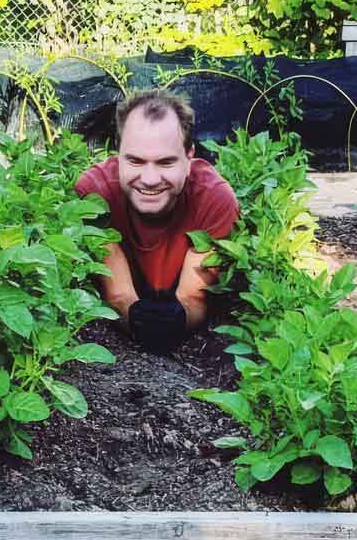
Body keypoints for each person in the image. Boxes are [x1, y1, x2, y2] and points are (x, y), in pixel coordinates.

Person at [73, 90, 239, 351]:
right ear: (118, 155)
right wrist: (139, 323)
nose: (149, 179)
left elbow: (193, 298)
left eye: (165, 162)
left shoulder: (214, 199)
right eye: (136, 161)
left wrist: (176, 323)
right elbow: (118, 295)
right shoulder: (95, 195)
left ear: (189, 158)